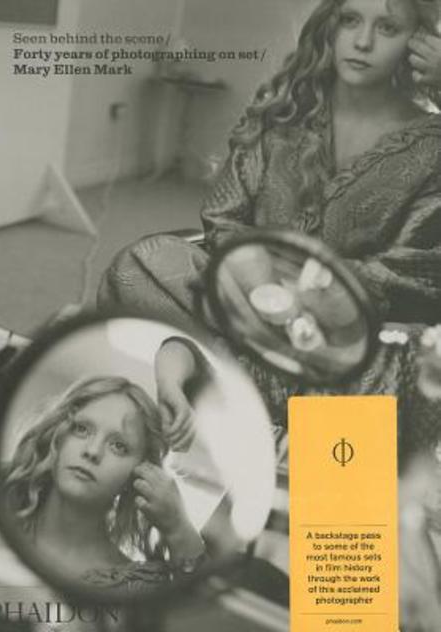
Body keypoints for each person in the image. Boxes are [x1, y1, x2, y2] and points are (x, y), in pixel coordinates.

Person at [98, 0, 441, 446]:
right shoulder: (281, 114)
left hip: (352, 331)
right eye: (350, 20)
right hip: (249, 303)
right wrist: (260, 283)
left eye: (388, 28)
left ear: (418, 43)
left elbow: (414, 270)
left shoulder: (432, 147)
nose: (362, 41)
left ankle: (238, 391)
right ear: (329, 25)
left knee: (403, 355)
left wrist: (313, 294)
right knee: (143, 264)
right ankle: (266, 394)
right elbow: (223, 218)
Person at [3, 375, 207, 593]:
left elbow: (207, 607)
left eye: (118, 446)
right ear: (56, 436)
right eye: (81, 429)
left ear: (139, 474)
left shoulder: (135, 588)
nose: (92, 451)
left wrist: (179, 527)